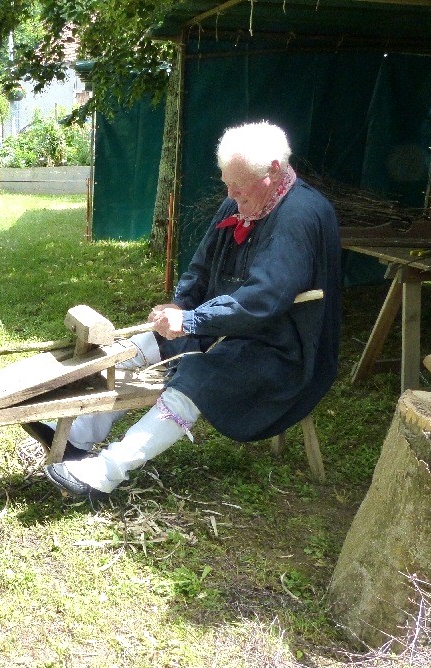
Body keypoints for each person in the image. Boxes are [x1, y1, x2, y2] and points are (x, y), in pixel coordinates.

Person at [30, 120, 342, 501]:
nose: (230, 196)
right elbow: (203, 265)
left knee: (198, 372)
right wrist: (181, 305)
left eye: (238, 189)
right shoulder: (241, 198)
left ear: (273, 171)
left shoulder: (301, 215)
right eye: (227, 184)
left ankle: (105, 474)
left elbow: (263, 300)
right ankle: (80, 437)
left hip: (283, 349)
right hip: (235, 328)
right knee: (147, 343)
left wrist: (192, 320)